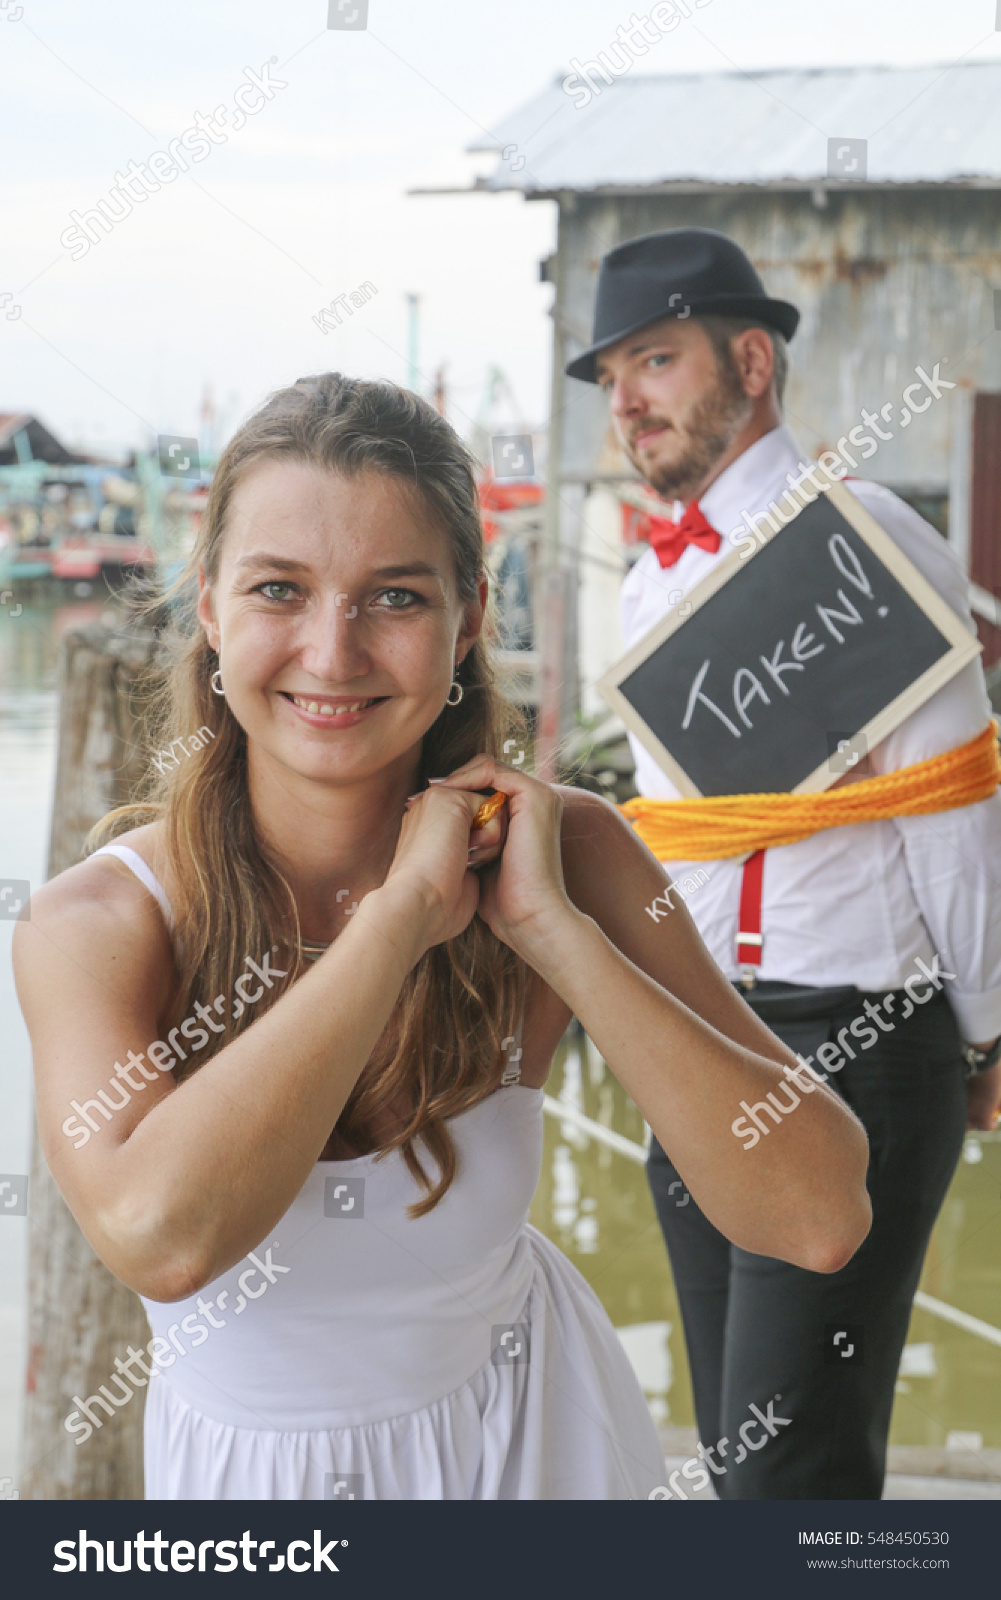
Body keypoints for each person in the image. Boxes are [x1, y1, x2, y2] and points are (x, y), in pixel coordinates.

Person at [14, 373, 869, 1502]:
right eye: (280, 588)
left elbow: (816, 1217)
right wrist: (401, 921)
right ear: (211, 605)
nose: (332, 651)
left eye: (396, 598)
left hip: (531, 1453)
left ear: (468, 618)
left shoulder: (572, 856)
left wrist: (556, 938)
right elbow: (162, 1237)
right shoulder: (98, 923)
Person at [568, 226, 1001, 1500]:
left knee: (792, 1478)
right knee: (735, 1452)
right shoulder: (650, 589)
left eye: (654, 359)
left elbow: (954, 814)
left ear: (751, 361)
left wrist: (982, 1036)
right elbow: (676, 846)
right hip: (698, 1035)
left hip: (852, 1042)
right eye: (608, 378)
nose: (626, 400)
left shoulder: (865, 543)